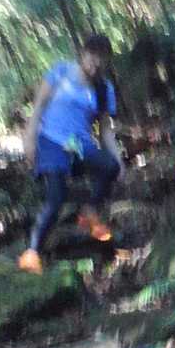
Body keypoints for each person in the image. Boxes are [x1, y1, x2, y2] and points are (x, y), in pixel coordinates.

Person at [18, 34, 124, 274]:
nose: (95, 65)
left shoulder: (104, 88)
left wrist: (118, 159)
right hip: (51, 142)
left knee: (110, 166)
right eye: (92, 58)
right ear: (83, 53)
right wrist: (29, 140)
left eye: (101, 62)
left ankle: (89, 213)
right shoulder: (60, 72)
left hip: (80, 146)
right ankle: (32, 253)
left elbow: (105, 130)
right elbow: (38, 108)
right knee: (56, 198)